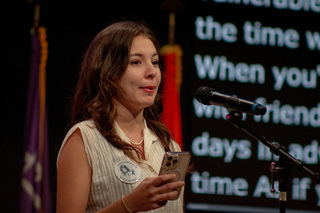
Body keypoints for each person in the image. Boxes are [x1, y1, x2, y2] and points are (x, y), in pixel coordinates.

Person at [56, 20, 186, 213]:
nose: (152, 72)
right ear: (109, 71)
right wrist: (128, 205)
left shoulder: (169, 146)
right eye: (136, 62)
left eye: (155, 62)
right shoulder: (84, 139)